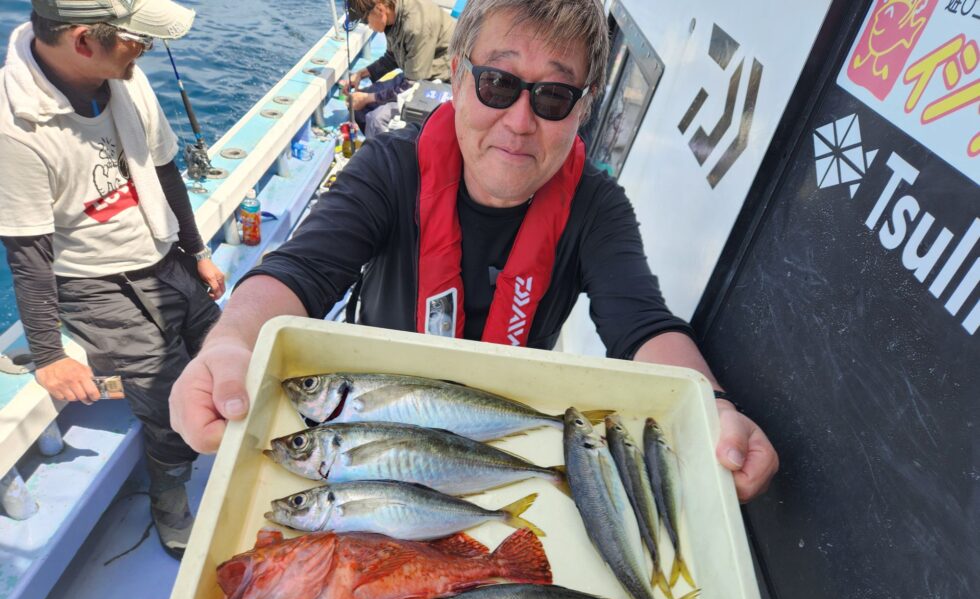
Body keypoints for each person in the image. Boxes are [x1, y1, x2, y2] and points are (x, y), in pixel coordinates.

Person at [170, 0, 779, 502]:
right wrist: (230, 343)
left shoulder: (597, 207)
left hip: (498, 441)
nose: (519, 122)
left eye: (553, 97)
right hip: (368, 436)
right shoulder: (389, 168)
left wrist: (712, 406)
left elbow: (641, 324)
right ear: (458, 78)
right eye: (497, 83)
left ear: (583, 110)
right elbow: (299, 271)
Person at [0, 0, 226, 559]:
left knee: (226, 350)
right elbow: (27, 251)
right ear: (83, 42)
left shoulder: (126, 74)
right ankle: (170, 493)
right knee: (165, 390)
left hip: (163, 255)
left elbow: (166, 166)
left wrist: (195, 250)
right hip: (93, 281)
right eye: (137, 39)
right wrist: (51, 352)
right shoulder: (14, 130)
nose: (146, 49)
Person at [341, 0, 455, 136]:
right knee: (357, 105)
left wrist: (367, 98)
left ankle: (389, 152)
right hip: (416, 75)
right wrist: (361, 74)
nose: (368, 26)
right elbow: (392, 58)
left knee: (376, 120)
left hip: (442, 84)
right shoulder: (393, 17)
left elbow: (412, 86)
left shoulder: (416, 26)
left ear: (380, 9)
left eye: (366, 21)